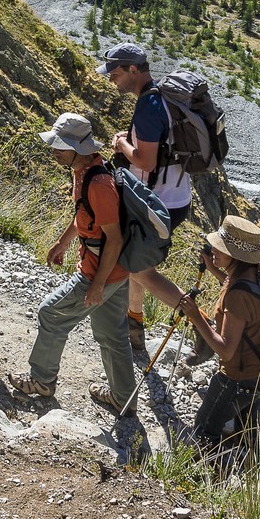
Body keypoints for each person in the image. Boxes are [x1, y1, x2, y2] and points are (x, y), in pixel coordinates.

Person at [8, 113, 138, 423]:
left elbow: (115, 239)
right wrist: (63, 242)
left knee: (50, 314)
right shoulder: (85, 171)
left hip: (100, 271)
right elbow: (85, 214)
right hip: (116, 271)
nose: (54, 151)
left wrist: (97, 284)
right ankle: (124, 398)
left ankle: (41, 380)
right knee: (111, 335)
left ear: (78, 148)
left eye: (60, 146)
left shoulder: (99, 183)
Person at [100, 42, 192, 355]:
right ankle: (134, 324)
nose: (111, 79)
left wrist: (120, 144)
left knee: (138, 269)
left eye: (115, 73)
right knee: (135, 260)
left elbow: (146, 162)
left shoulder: (148, 107)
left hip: (157, 204)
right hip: (174, 196)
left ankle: (201, 324)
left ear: (133, 69)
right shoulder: (161, 97)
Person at [177, 216, 260, 452]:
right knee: (247, 431)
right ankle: (254, 463)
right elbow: (236, 287)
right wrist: (213, 268)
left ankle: (209, 467)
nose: (213, 250)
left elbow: (226, 350)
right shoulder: (255, 278)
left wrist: (196, 316)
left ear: (235, 256)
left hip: (236, 379)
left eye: (220, 248)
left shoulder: (238, 296)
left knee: (204, 432)